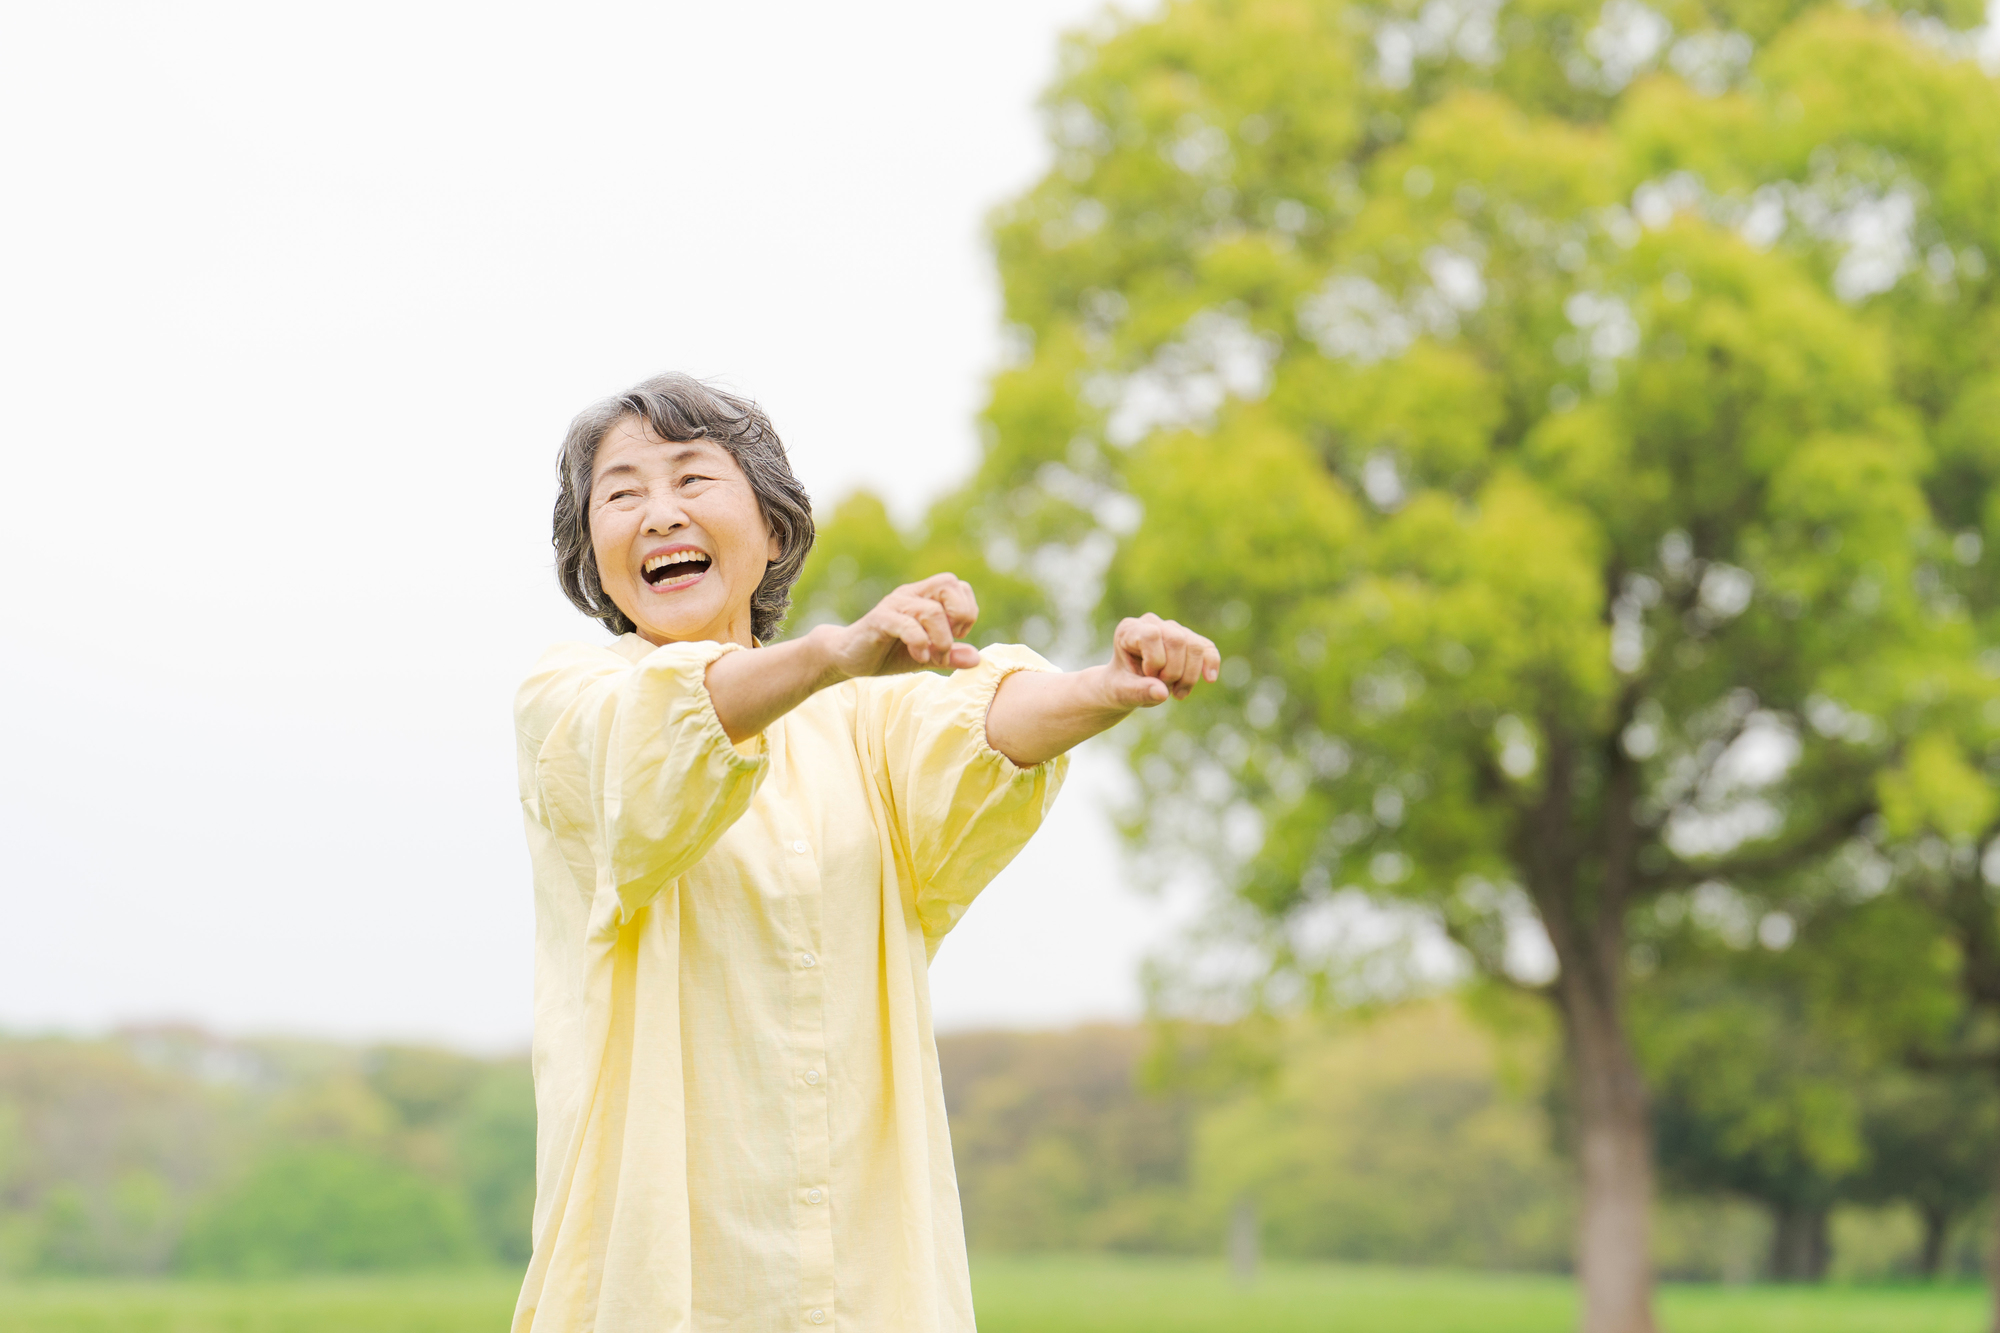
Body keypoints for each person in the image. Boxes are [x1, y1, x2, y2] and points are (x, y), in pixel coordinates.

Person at [511, 373, 1218, 1332]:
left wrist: (1106, 684)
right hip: (662, 1293)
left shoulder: (855, 719)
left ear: (772, 528)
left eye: (692, 480)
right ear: (592, 552)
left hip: (867, 1289)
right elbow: (657, 736)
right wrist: (836, 652)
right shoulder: (569, 701)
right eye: (622, 494)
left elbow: (981, 726)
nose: (659, 514)